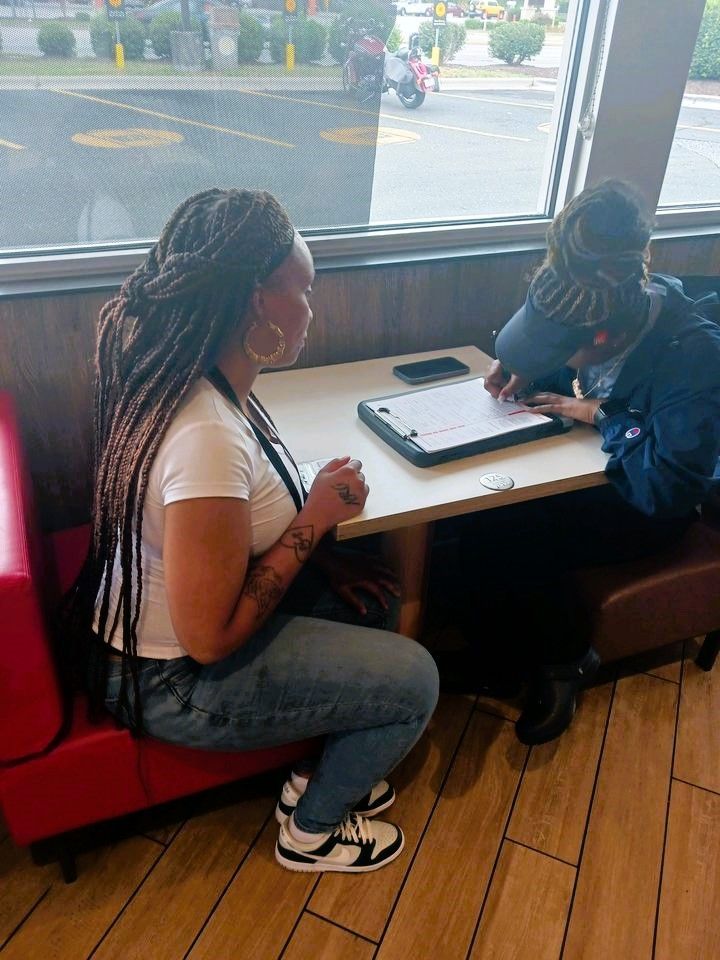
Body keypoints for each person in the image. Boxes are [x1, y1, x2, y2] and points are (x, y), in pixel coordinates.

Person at [65, 188, 439, 874]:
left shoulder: (204, 373)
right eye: (305, 290)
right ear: (258, 303)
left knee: (377, 600)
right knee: (416, 682)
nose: (312, 309)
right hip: (167, 679)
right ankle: (315, 829)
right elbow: (207, 642)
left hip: (169, 639)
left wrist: (323, 556)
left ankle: (314, 772)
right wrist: (316, 519)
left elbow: (242, 523)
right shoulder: (204, 435)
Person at [446, 179, 720, 745]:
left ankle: (564, 660)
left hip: (649, 504)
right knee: (472, 518)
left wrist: (600, 413)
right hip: (591, 469)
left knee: (516, 535)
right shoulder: (577, 294)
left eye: (563, 347)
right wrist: (526, 366)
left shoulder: (692, 355)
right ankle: (503, 653)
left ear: (604, 338)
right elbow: (558, 348)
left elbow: (666, 487)